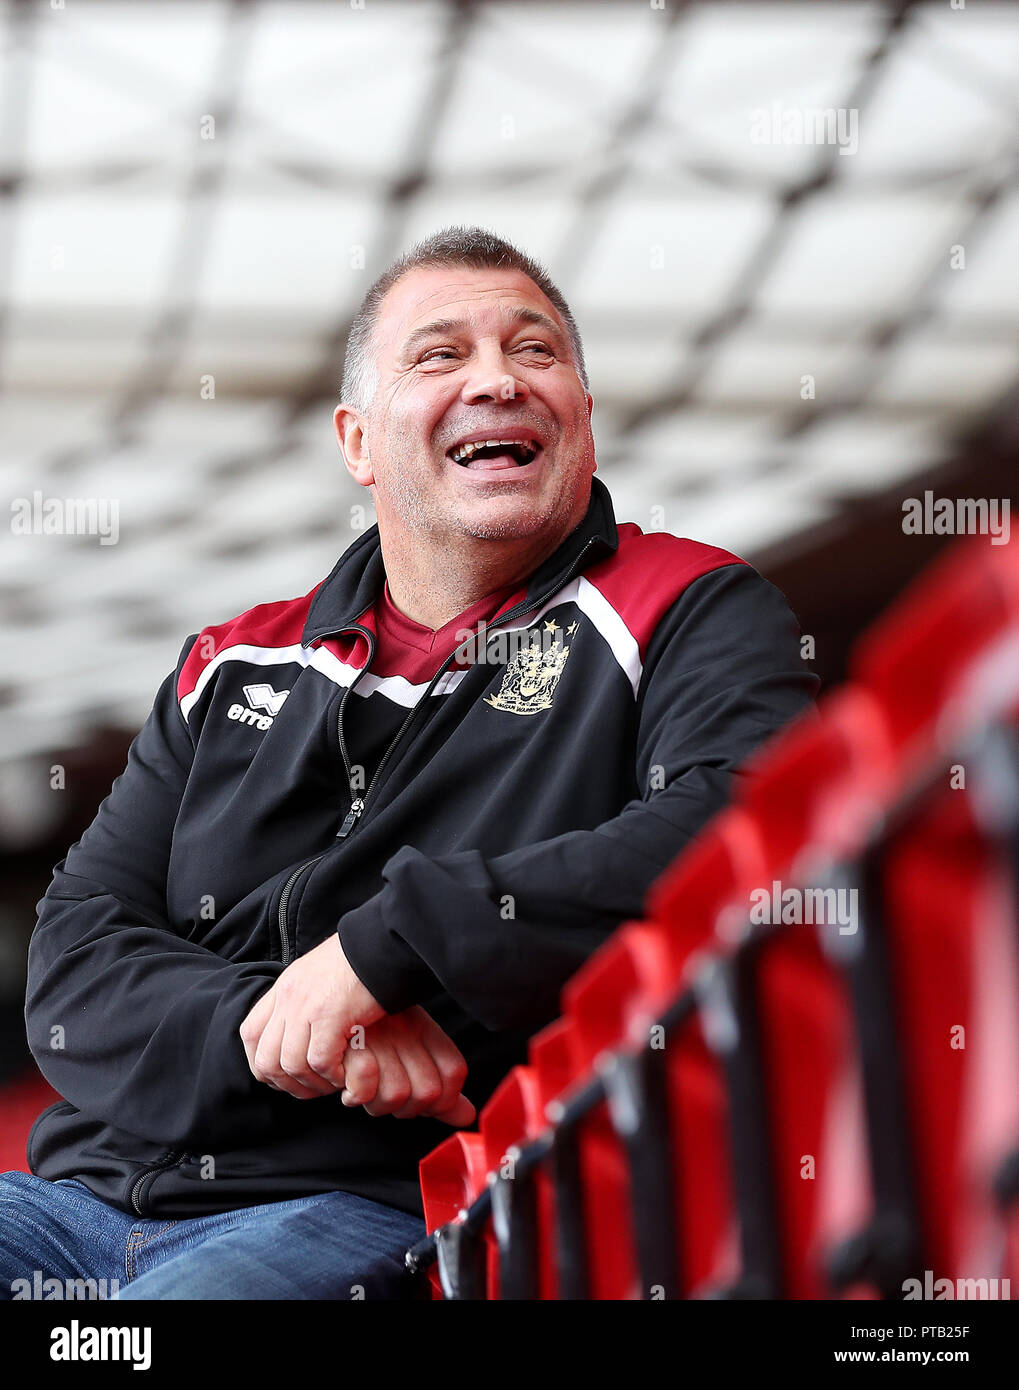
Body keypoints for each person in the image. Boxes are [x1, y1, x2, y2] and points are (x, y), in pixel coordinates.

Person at [2, 226, 819, 1300]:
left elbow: (741, 827)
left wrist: (386, 949)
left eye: (534, 352)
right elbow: (75, 959)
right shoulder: (231, 660)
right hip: (75, 1201)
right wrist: (298, 1023)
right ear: (358, 441)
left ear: (580, 412)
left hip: (373, 1209)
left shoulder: (683, 607)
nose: (497, 378)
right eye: (439, 355)